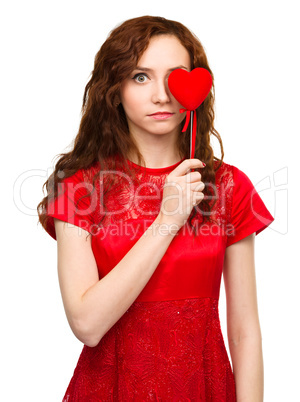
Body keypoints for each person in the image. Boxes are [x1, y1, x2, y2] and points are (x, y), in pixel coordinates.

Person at [37, 15, 274, 401]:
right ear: (114, 90)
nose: (161, 95)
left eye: (175, 76)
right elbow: (87, 324)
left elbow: (244, 329)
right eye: (141, 77)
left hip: (204, 387)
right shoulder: (80, 188)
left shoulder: (229, 186)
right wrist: (167, 219)